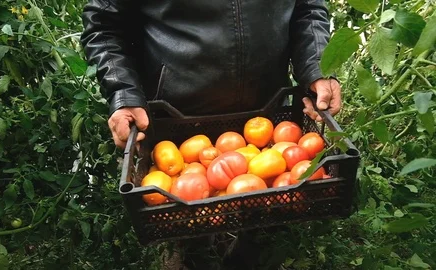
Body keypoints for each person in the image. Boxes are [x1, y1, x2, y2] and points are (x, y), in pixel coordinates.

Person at [80, 0, 341, 269]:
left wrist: (316, 68)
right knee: (187, 212)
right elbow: (103, 24)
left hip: (266, 111)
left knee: (265, 203)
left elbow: (307, 8)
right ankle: (192, 249)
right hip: (179, 116)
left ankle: (248, 248)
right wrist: (123, 93)